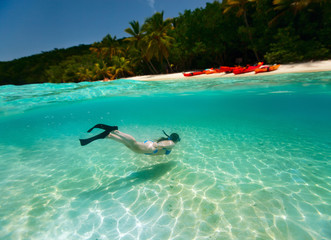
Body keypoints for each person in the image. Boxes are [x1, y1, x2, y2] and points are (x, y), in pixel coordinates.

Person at [79, 124, 180, 156]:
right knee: (133, 143)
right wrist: (157, 146)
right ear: (176, 140)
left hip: (147, 147)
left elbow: (161, 145)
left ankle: (109, 135)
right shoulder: (171, 144)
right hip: (149, 148)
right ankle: (115, 131)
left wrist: (157, 145)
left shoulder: (168, 141)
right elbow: (159, 146)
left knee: (129, 144)